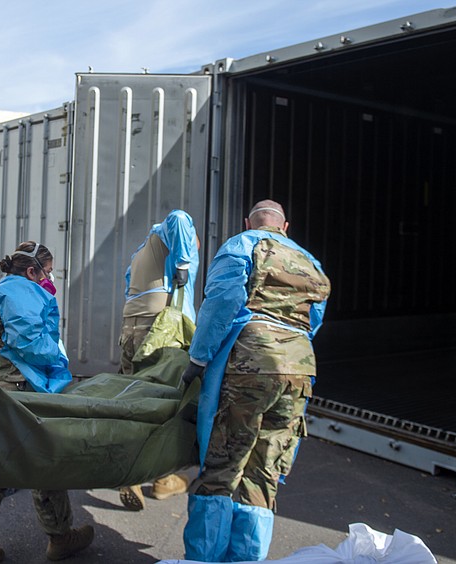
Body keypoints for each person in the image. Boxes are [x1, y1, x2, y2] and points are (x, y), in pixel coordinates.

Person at [180, 199, 331, 562]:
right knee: (264, 469)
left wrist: (198, 358)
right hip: (300, 368)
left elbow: (222, 300)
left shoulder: (243, 243)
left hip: (252, 361)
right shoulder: (310, 260)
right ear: (286, 226)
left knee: (222, 464)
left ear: (248, 221)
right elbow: (315, 319)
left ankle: (203, 559)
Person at [0, 241, 95, 564]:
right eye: (48, 271)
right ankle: (58, 536)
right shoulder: (19, 293)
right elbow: (29, 341)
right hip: (15, 389)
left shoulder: (8, 288)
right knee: (40, 458)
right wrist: (57, 356)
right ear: (32, 271)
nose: (51, 277)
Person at [118, 209, 200, 511]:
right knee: (162, 403)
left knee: (132, 398)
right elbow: (180, 217)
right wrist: (183, 264)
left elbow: (128, 284)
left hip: (132, 328)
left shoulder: (142, 252)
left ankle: (164, 477)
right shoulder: (170, 232)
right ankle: (136, 472)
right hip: (158, 330)